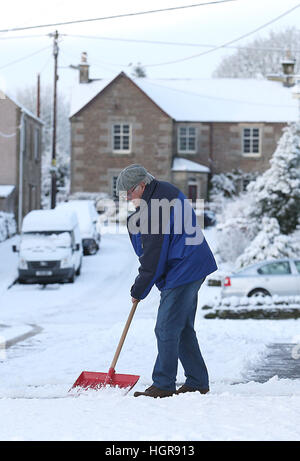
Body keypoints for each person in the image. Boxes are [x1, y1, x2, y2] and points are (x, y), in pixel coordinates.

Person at [116, 164, 217, 398]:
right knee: (181, 329)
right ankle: (197, 381)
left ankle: (163, 384)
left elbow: (153, 258)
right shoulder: (165, 191)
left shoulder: (154, 211)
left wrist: (139, 289)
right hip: (191, 264)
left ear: (142, 184)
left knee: (166, 328)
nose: (128, 198)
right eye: (124, 195)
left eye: (130, 192)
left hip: (184, 269)